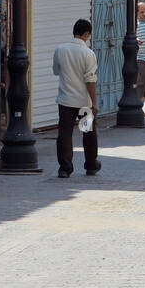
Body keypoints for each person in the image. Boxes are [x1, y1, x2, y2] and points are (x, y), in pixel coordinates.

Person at [53, 18, 100, 179]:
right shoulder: (88, 54)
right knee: (88, 133)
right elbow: (90, 80)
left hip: (65, 100)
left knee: (64, 134)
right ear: (86, 34)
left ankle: (65, 168)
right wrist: (94, 102)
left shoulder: (60, 50)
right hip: (83, 103)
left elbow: (56, 71)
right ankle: (91, 165)